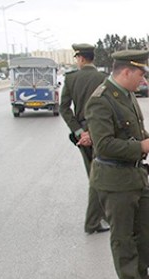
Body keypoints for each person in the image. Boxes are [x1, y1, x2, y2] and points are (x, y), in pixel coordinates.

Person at [85, 50, 149, 279]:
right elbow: (104, 145)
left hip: (136, 174)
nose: (143, 80)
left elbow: (133, 129)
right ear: (126, 72)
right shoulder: (100, 100)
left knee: (145, 229)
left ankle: (142, 275)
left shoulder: (127, 95)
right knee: (123, 235)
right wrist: (141, 146)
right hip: (114, 179)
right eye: (141, 74)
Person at [59, 43, 110, 234]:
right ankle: (94, 220)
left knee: (95, 175)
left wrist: (80, 131)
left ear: (80, 58)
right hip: (100, 132)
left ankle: (99, 218)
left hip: (82, 135)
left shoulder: (71, 79)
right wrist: (91, 131)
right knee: (99, 176)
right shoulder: (103, 79)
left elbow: (64, 108)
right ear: (92, 58)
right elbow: (105, 108)